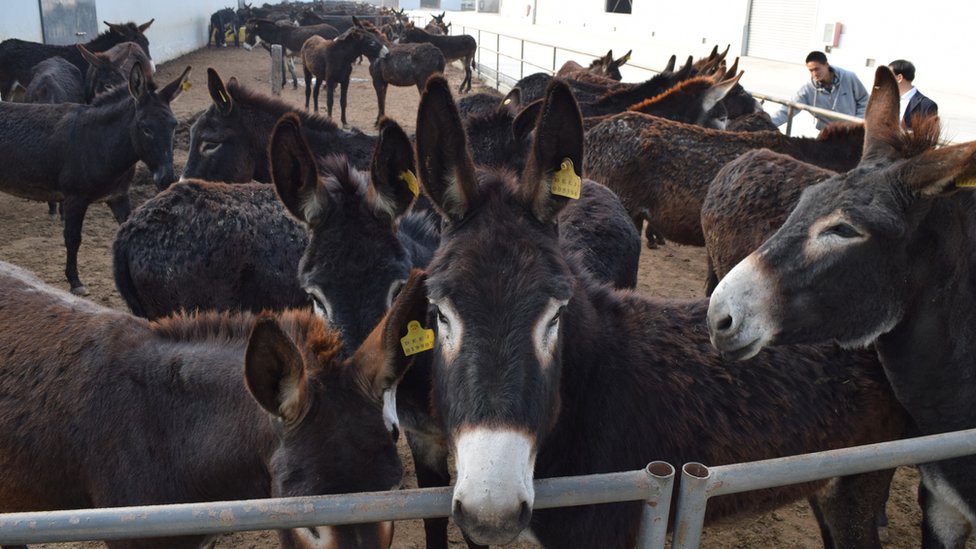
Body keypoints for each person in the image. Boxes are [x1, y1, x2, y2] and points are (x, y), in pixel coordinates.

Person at [771, 50, 870, 130]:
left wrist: (857, 123)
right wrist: (766, 124)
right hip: (827, 134)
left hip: (850, 132)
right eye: (811, 70)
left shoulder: (849, 77)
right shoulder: (808, 89)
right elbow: (788, 109)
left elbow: (864, 100)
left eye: (817, 69)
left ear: (826, 65)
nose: (814, 73)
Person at [888, 59, 938, 129]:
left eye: (888, 75)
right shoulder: (885, 100)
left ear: (899, 78)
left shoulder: (926, 105)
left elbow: (927, 135)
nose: (884, 79)